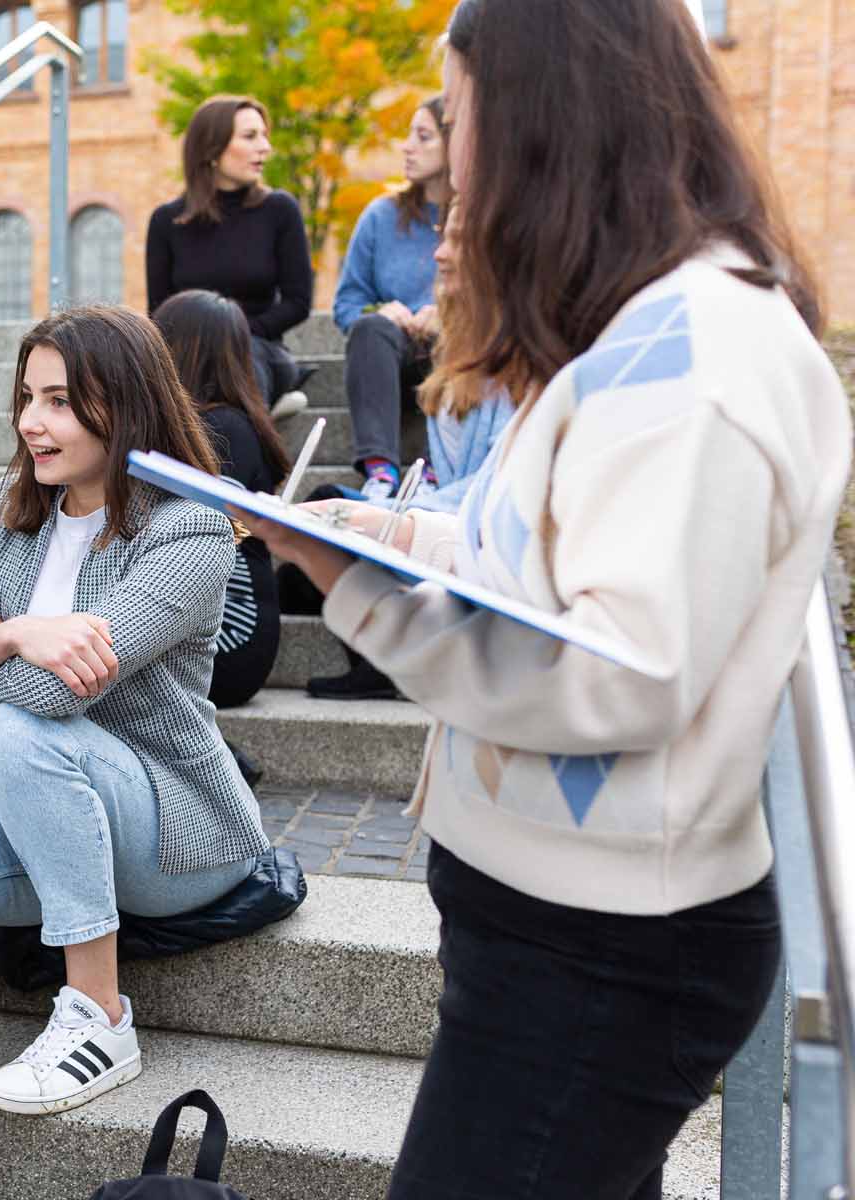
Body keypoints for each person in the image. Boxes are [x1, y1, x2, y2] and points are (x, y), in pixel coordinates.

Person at [251, 2, 849, 1195]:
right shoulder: (638, 325)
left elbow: (615, 667)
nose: (450, 158)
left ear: (542, 124)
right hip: (551, 913)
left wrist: (347, 584)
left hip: (607, 943)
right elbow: (531, 548)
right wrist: (382, 528)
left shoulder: (700, 354)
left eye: (462, 117)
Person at [0, 305, 271, 1200]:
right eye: (27, 399)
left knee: (17, 729)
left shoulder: (188, 532)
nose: (33, 423)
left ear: (128, 405)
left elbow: (42, 700)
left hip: (175, 831)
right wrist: (9, 640)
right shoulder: (3, 516)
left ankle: (99, 1014)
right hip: (52, 817)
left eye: (63, 402)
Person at [301, 198, 514, 702]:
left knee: (345, 517)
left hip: (483, 532)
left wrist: (399, 515)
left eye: (455, 241)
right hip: (450, 510)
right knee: (329, 513)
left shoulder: (517, 359)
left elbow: (496, 487)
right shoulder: (459, 348)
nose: (437, 255)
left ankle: (389, 660)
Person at [152, 288, 292, 722]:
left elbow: (200, 551)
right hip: (212, 629)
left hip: (229, 639)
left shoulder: (222, 429)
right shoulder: (216, 424)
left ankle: (220, 761)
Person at [146, 95, 317, 422]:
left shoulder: (279, 210)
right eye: (251, 136)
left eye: (264, 136)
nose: (265, 147)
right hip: (189, 357)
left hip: (257, 348)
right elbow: (159, 312)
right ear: (212, 147)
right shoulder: (167, 221)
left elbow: (298, 300)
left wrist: (234, 333)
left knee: (238, 369)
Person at [332, 97, 452, 499]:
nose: (407, 147)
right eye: (408, 135)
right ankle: (381, 473)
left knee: (467, 335)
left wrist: (450, 315)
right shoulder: (380, 216)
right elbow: (347, 303)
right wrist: (381, 311)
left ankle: (438, 473)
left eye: (423, 137)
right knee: (369, 327)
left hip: (456, 353)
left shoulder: (480, 215)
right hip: (392, 356)